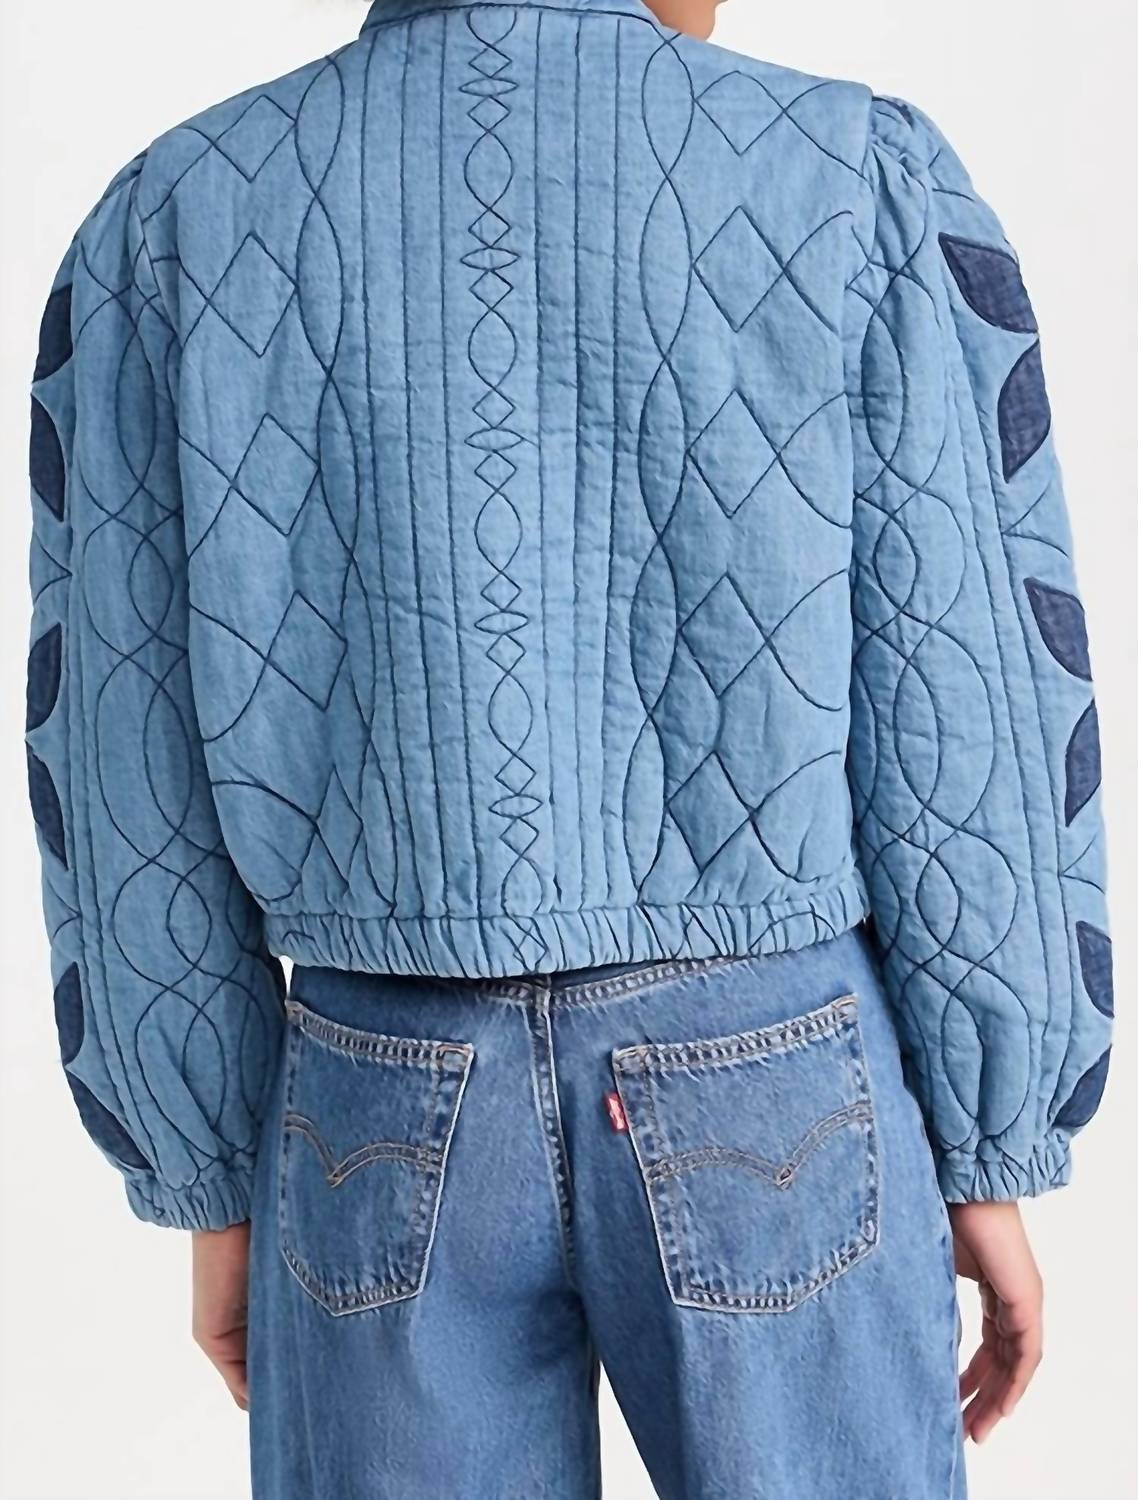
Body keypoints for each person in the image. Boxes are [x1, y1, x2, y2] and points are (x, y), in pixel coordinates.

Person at [25, 0, 1112, 1494]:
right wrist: (993, 1142)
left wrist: (208, 1173)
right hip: (775, 1072)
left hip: (373, 1087)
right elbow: (967, 691)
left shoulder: (175, 213)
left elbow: (118, 759)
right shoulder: (852, 172)